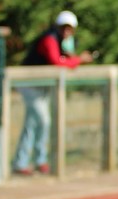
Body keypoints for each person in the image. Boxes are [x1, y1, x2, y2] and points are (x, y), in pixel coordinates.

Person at [11, 10, 94, 176]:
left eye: (70, 28)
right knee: (44, 121)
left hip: (41, 86)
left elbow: (64, 59)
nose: (67, 31)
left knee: (32, 123)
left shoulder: (62, 41)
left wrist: (73, 57)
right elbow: (56, 61)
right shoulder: (49, 39)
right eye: (64, 27)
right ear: (58, 26)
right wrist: (78, 60)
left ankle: (23, 162)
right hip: (30, 85)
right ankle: (38, 160)